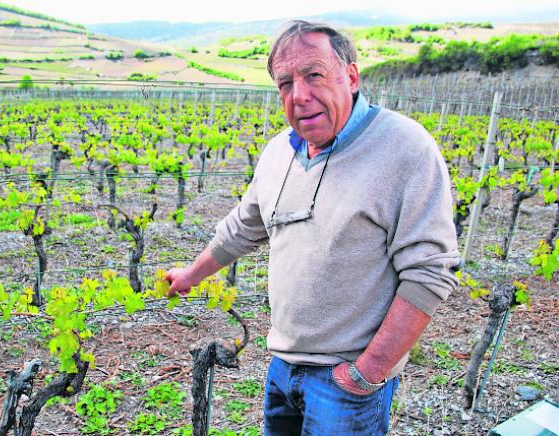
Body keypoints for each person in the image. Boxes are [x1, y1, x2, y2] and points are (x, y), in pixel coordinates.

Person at [166, 20, 460, 435]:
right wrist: (190, 276)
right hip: (283, 365)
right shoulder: (278, 153)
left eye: (314, 75)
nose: (299, 95)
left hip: (348, 380)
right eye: (285, 83)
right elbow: (244, 226)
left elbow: (430, 271)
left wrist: (367, 371)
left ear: (351, 76)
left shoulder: (405, 148)